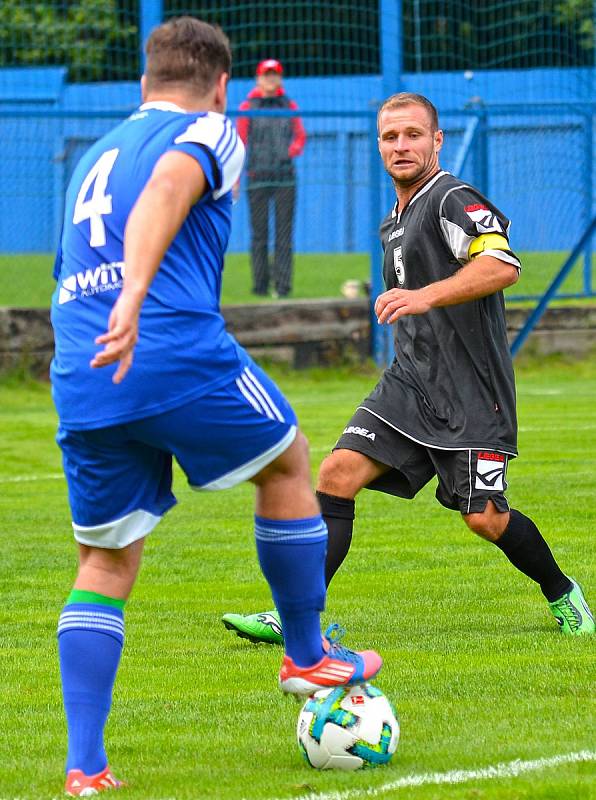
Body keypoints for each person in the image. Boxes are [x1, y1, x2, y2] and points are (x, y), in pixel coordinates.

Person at [50, 18, 381, 797]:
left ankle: (86, 766)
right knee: (291, 459)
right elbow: (168, 188)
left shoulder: (93, 155)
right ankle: (305, 654)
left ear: (143, 81)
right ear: (223, 85)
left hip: (83, 370)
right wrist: (134, 293)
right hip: (166, 347)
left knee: (103, 561)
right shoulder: (211, 129)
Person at [222, 91, 594, 646]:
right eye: (390, 137)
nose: (401, 145)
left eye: (413, 134)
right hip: (409, 384)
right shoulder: (394, 220)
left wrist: (423, 296)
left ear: (436, 141)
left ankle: (565, 594)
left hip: (472, 395)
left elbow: (502, 264)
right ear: (379, 146)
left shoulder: (453, 198)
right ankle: (297, 618)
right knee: (335, 475)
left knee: (485, 518)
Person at [237, 58, 306, 297]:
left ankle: (283, 286)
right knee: (259, 235)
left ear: (279, 78)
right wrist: (236, 178)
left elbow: (300, 136)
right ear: (258, 78)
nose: (270, 79)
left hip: (285, 177)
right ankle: (260, 287)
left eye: (274, 74)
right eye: (266, 75)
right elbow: (240, 142)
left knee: (284, 235)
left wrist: (290, 152)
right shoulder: (247, 107)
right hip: (256, 176)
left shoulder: (290, 105)